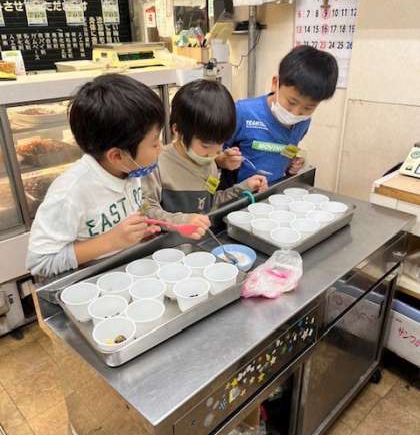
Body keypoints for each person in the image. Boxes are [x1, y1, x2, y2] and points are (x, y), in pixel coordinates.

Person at [26, 74, 207, 278]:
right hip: (94, 281)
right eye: (154, 143)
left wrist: (152, 229)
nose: (160, 149)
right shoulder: (70, 194)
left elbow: (133, 213)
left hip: (130, 271)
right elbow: (39, 263)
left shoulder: (129, 170)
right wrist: (111, 241)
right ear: (116, 156)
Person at [142, 79, 268, 223]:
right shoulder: (156, 165)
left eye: (220, 144)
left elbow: (210, 203)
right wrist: (183, 221)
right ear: (177, 130)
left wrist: (244, 187)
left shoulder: (210, 164)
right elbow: (147, 209)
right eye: (205, 145)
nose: (213, 153)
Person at [216, 45, 339, 185]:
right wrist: (222, 161)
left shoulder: (303, 122)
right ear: (276, 83)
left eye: (308, 108)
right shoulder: (242, 112)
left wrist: (291, 165)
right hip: (237, 193)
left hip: (273, 191)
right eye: (291, 102)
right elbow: (208, 155)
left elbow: (286, 148)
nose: (295, 113)